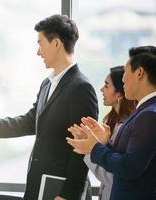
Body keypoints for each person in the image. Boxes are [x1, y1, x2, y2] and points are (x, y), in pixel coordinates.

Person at [0, 14, 98, 200]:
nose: (38, 52)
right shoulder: (47, 84)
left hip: (61, 192)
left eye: (40, 43)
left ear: (56, 44)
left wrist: (67, 195)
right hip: (39, 185)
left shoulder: (81, 88)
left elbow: (83, 148)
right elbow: (32, 120)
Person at [67, 46, 156, 200]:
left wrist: (94, 148)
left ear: (139, 73)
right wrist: (103, 143)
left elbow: (129, 168)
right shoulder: (144, 111)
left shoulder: (149, 114)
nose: (123, 79)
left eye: (126, 71)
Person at [68, 66, 137, 200]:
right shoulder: (113, 124)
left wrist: (90, 148)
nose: (101, 89)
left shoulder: (129, 128)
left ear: (120, 94)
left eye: (106, 86)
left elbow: (113, 178)